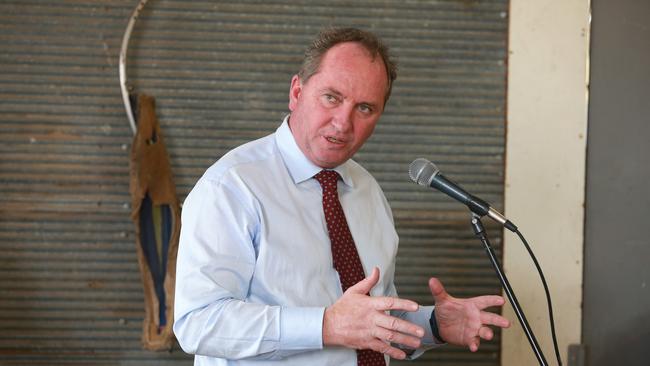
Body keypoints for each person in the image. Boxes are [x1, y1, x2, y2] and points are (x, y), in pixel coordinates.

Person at [173, 27, 510, 366]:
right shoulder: (232, 187)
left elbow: (371, 324)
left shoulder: (368, 192)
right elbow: (198, 323)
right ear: (296, 92)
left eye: (364, 108)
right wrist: (326, 325)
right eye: (332, 98)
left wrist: (435, 325)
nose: (343, 122)